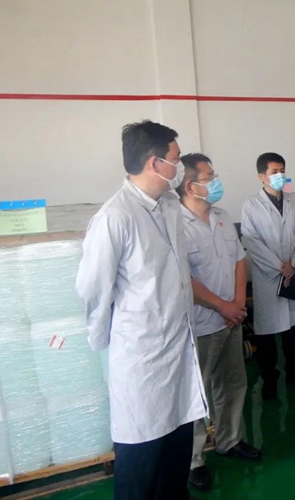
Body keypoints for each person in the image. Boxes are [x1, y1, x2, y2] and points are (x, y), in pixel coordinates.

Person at [76, 121, 207, 500]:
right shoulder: (114, 218)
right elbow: (93, 291)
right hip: (142, 361)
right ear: (155, 163)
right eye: (175, 159)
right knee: (141, 467)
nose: (179, 167)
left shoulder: (170, 206)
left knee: (175, 464)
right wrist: (108, 345)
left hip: (179, 354)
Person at [177, 154, 262, 492]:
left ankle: (229, 440)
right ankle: (194, 459)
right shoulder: (176, 224)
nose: (216, 182)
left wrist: (238, 304)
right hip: (200, 325)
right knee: (196, 395)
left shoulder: (222, 217)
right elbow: (184, 279)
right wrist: (223, 306)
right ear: (190, 186)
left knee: (232, 384)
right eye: (209, 177)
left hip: (231, 320)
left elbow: (239, 261)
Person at [241, 152, 295, 401]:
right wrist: (279, 267)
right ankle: (269, 378)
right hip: (268, 276)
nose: (280, 176)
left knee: (291, 328)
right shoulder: (251, 205)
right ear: (261, 176)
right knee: (266, 332)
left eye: (282, 171)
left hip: (292, 271)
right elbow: (251, 241)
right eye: (274, 172)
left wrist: (293, 264)